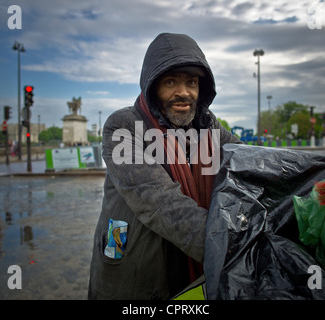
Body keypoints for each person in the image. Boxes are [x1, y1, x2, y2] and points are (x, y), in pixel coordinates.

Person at [88, 33, 242, 300]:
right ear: (152, 86)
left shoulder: (207, 126)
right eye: (171, 81)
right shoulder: (123, 126)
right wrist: (232, 251)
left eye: (191, 82)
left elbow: (252, 160)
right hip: (135, 274)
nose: (183, 92)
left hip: (193, 272)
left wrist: (323, 174)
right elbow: (160, 202)